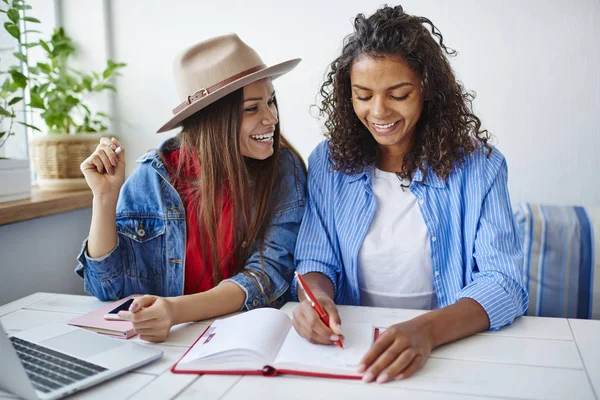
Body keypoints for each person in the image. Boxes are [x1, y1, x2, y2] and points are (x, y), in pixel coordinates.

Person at [292, 5, 528, 383]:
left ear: (427, 90)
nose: (378, 111)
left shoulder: (481, 167)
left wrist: (426, 331)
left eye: (398, 94)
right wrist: (317, 300)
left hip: (453, 351)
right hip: (354, 353)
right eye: (363, 95)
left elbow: (504, 283)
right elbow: (315, 259)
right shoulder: (329, 163)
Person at [76, 34, 306, 342]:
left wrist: (175, 311)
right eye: (252, 108)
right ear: (214, 119)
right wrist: (104, 197)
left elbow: (267, 275)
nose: (272, 118)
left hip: (245, 337)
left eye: (270, 102)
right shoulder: (153, 179)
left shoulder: (282, 170)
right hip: (168, 345)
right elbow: (105, 289)